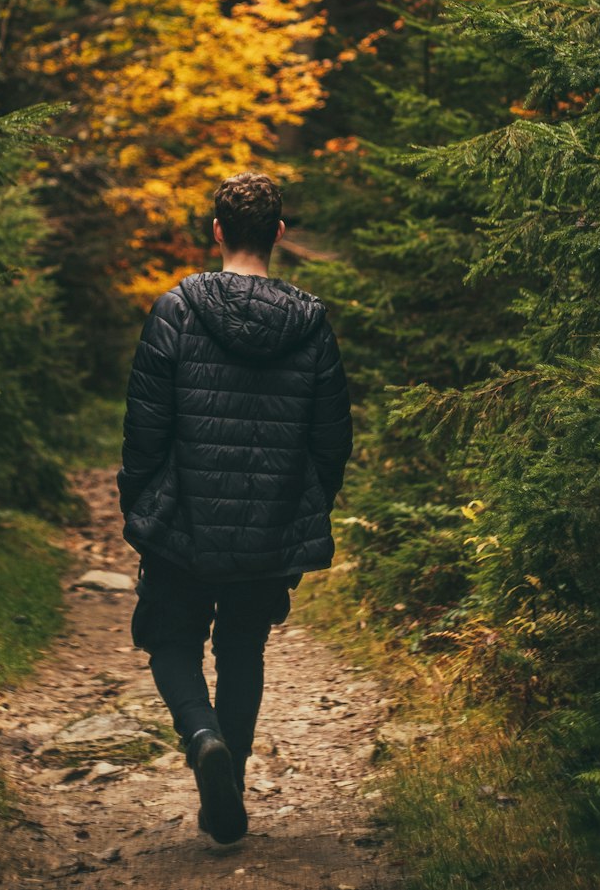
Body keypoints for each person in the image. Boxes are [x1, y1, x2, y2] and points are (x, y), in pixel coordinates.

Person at [117, 171, 353, 845]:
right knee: (243, 646)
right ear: (279, 234)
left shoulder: (175, 310)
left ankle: (201, 738)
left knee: (169, 640)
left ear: (217, 231)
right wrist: (306, 505)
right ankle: (233, 780)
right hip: (271, 520)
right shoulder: (312, 325)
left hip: (184, 523)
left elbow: (145, 429)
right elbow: (331, 439)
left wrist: (142, 505)